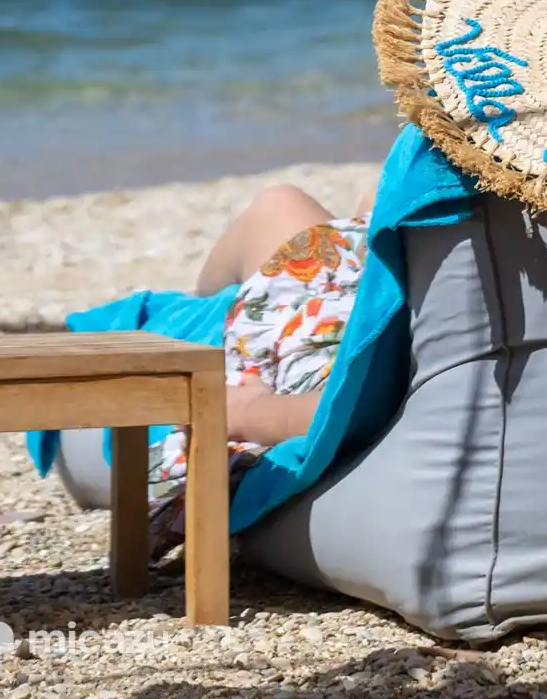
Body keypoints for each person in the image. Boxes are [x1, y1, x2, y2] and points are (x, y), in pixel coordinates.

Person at [146, 175, 377, 551]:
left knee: (278, 202)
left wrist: (248, 411)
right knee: (373, 190)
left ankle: (207, 307)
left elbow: (354, 403)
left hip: (321, 344)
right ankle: (212, 304)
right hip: (354, 293)